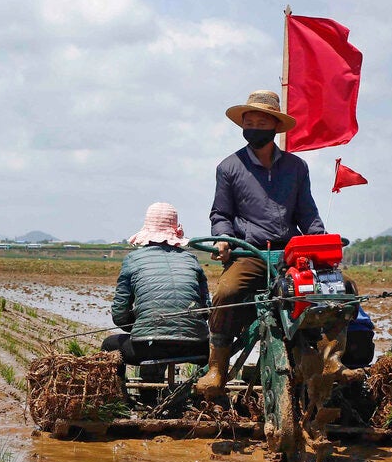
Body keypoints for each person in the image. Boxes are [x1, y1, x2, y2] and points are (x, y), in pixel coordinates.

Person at [197, 90, 345, 397]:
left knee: (339, 288)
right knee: (226, 292)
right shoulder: (229, 167)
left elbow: (307, 212)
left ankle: (331, 357)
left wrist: (321, 242)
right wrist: (224, 240)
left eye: (260, 121)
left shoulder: (295, 167)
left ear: (274, 127)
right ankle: (217, 368)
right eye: (248, 120)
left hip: (289, 253)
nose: (253, 125)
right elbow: (221, 213)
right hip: (249, 252)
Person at [102, 202, 211, 393]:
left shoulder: (133, 260)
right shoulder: (191, 260)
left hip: (148, 347)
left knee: (109, 345)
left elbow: (119, 315)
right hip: (195, 347)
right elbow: (206, 310)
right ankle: (202, 398)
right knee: (210, 347)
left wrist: (142, 324)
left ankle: (119, 399)